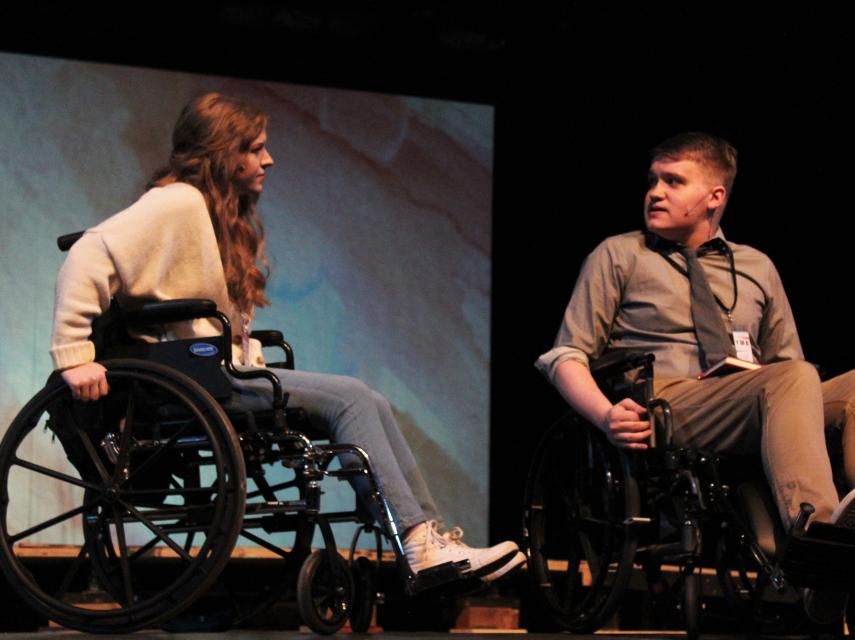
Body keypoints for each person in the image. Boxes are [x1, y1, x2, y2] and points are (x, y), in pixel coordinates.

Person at [51, 92, 525, 584]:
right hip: (189, 380)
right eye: (255, 148)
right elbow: (89, 252)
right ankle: (418, 543)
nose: (268, 159)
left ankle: (427, 539)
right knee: (353, 400)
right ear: (222, 152)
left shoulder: (218, 214)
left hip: (215, 372)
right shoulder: (178, 201)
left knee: (371, 402)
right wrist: (74, 357)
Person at [536, 131, 855, 620]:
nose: (655, 192)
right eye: (653, 180)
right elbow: (566, 354)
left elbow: (791, 364)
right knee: (789, 377)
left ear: (714, 197)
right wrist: (606, 413)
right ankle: (821, 540)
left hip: (760, 400)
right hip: (672, 405)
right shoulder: (619, 254)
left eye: (673, 181)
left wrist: (780, 384)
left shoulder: (757, 266)